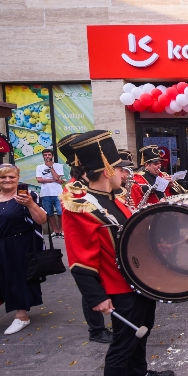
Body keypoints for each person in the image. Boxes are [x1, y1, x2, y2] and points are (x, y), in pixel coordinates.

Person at [62, 130, 173, 376]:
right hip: (118, 289)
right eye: (121, 170)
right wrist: (97, 297)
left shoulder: (114, 199)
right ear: (107, 170)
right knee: (120, 347)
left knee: (143, 331)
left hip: (140, 282)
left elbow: (131, 238)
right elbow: (79, 260)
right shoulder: (82, 206)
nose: (127, 175)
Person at [57, 136, 114, 344]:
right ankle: (96, 329)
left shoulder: (84, 184)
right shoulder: (73, 189)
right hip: (88, 247)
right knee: (91, 286)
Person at [0, 164, 48, 335]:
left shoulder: (28, 196)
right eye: (3, 177)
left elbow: (42, 219)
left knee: (17, 278)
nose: (7, 180)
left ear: (18, 178)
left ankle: (22, 316)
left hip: (19, 245)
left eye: (11, 177)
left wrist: (31, 205)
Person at [36, 148, 66, 238]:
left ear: (52, 156)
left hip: (58, 193)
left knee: (61, 212)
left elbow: (57, 177)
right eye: (45, 155)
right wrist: (55, 180)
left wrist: (51, 167)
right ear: (43, 156)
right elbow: (39, 179)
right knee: (49, 213)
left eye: (49, 155)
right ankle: (55, 231)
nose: (47, 157)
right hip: (45, 193)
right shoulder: (39, 167)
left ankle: (61, 231)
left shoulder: (58, 166)